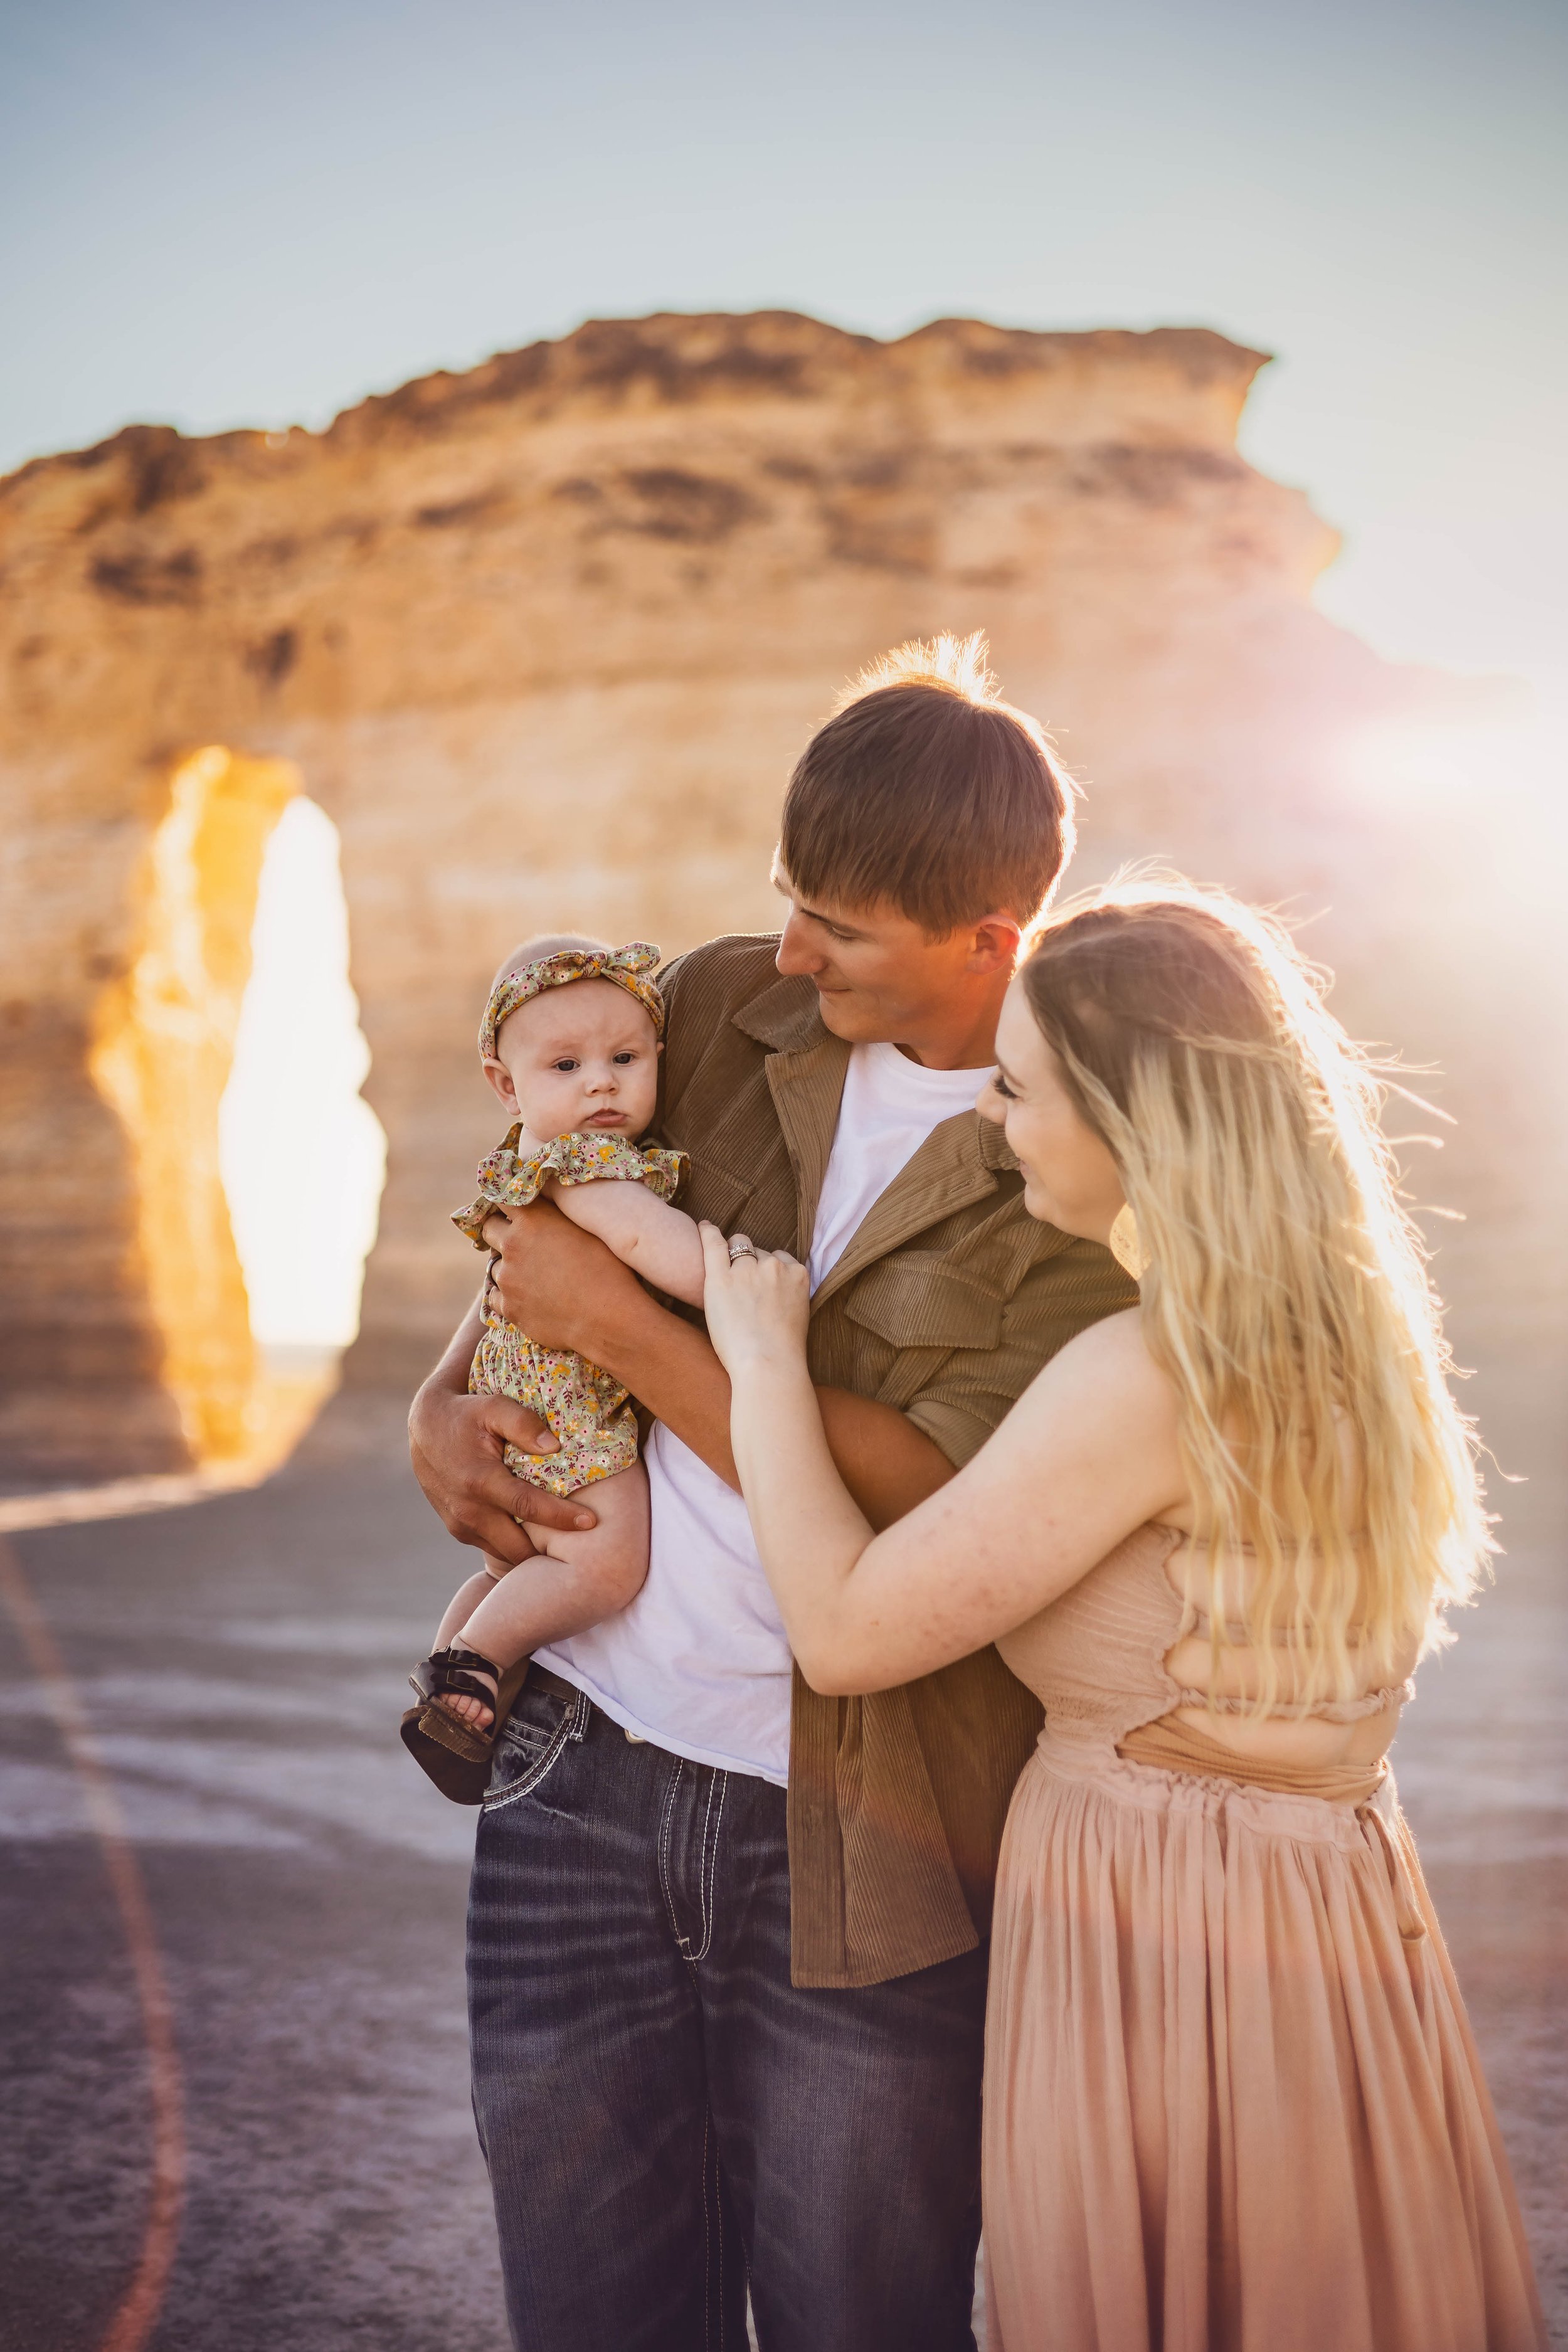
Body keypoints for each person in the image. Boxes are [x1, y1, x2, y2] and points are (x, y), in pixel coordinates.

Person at [407, 633, 1138, 2351]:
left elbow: (930, 1505)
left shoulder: (1080, 1166)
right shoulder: (733, 997)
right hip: (570, 1779)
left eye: (842, 927)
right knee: (586, 2315)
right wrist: (443, 1395)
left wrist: (635, 1342)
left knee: (857, 2322)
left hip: (867, 1842)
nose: (787, 947)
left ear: (988, 940)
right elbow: (553, 1174)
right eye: (784, 897)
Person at [699, 878, 1547, 2352]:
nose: (988, 1121)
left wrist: (759, 1364)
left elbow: (840, 1632)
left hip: (1160, 1938)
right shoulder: (1359, 1344)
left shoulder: (1143, 1377)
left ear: (1126, 1117)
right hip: (1333, 1931)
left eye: (1019, 1092)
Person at [401, 933, 707, 1801]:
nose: (601, 1083)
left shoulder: (528, 1159)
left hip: (515, 1395)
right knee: (602, 1565)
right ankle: (476, 1664)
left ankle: (444, 1681)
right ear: (508, 1083)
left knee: (512, 1569)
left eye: (625, 1057)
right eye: (566, 1064)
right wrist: (732, 1277)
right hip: (565, 1409)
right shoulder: (587, 1164)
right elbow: (658, 1246)